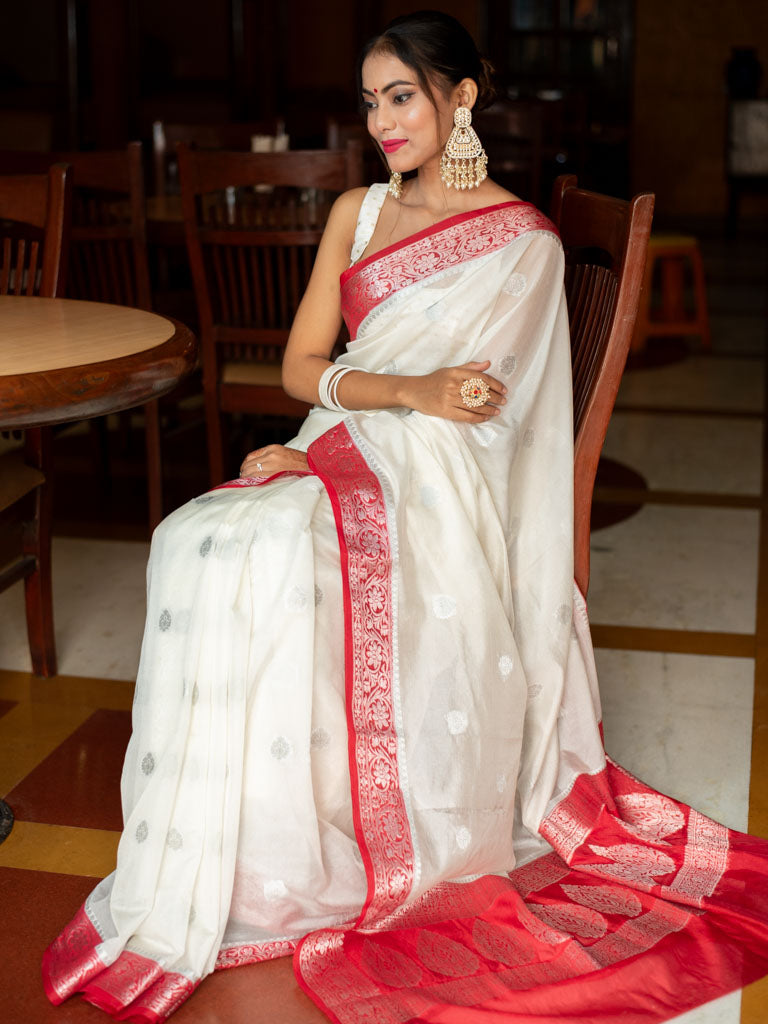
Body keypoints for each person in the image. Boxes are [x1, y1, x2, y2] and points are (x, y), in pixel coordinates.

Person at [43, 11, 768, 1024]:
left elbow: (487, 426)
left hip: (441, 494)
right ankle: (245, 842)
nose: (384, 121)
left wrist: (401, 410)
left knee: (260, 548)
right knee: (198, 539)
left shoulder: (524, 247)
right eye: (371, 101)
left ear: (461, 97)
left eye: (403, 96)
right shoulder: (356, 212)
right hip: (353, 444)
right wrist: (355, 420)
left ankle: (326, 841)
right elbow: (304, 368)